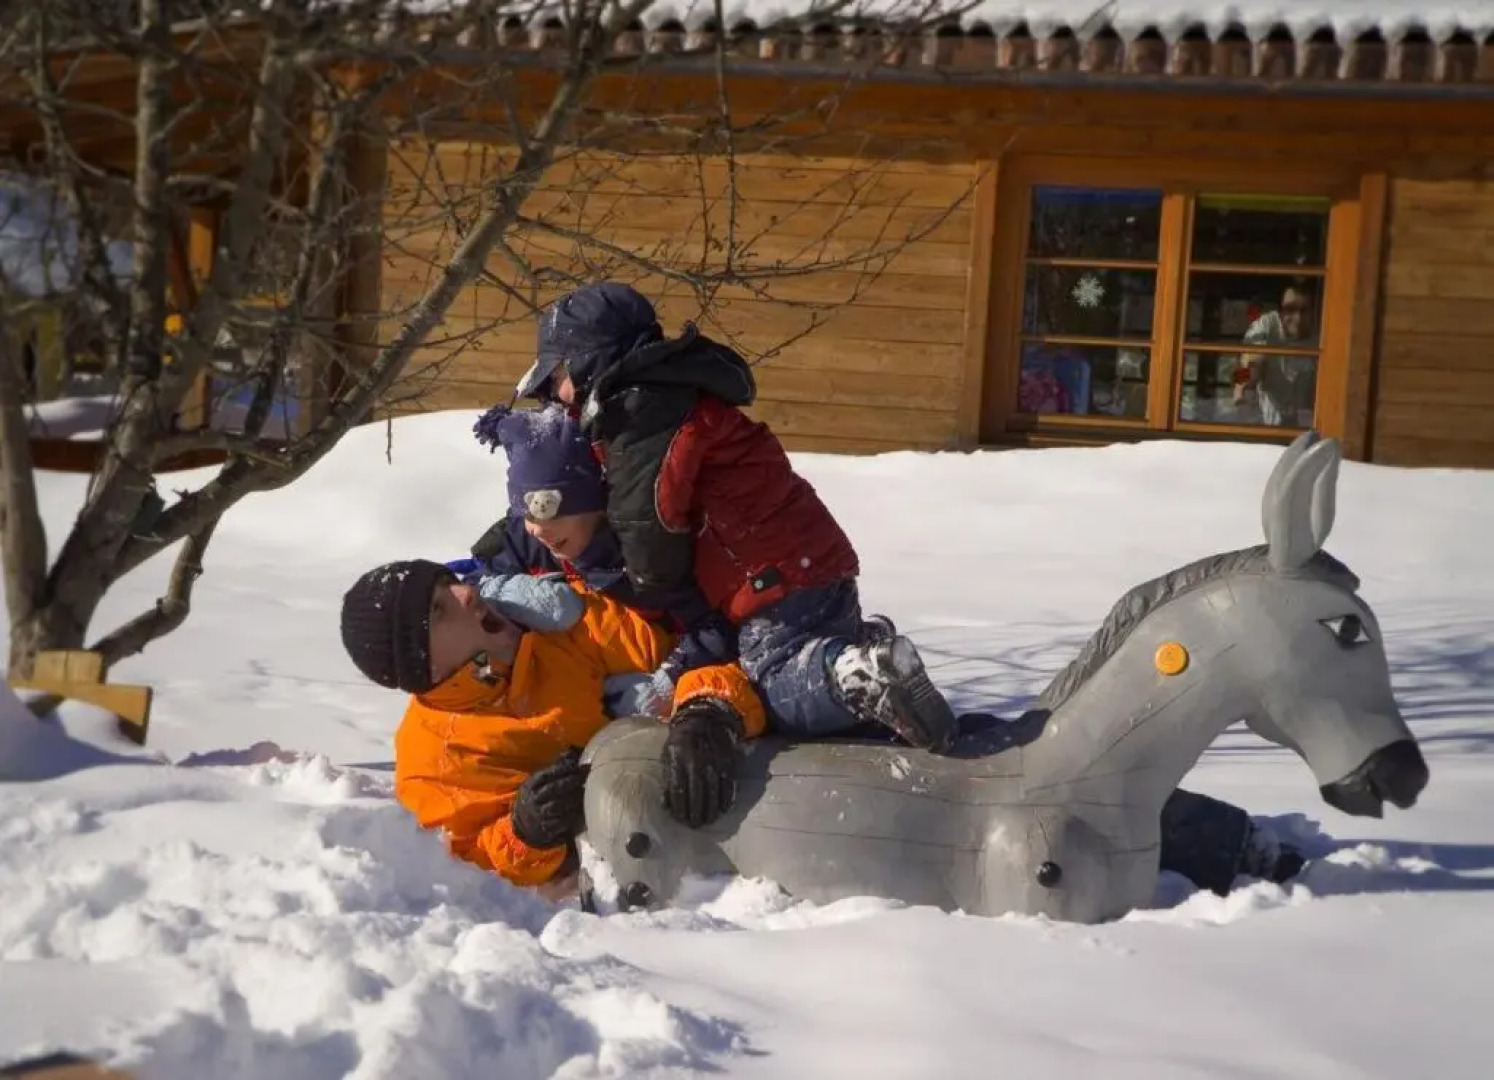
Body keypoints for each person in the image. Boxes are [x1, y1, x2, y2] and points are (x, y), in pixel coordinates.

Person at [502, 280, 960, 754]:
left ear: (589, 362)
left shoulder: (642, 413)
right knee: (797, 658)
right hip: (802, 558)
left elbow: (647, 518)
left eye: (558, 374)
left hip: (769, 575)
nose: (554, 394)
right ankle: (861, 654)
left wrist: (650, 587)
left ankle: (859, 673)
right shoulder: (673, 397)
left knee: (771, 685)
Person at [338, 558, 765, 893]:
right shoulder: (434, 760)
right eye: (439, 608)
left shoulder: (564, 626)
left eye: (450, 581)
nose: (466, 592)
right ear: (425, 664)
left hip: (737, 782)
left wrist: (708, 711)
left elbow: (693, 657)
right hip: (652, 880)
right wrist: (526, 833)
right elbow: (465, 867)